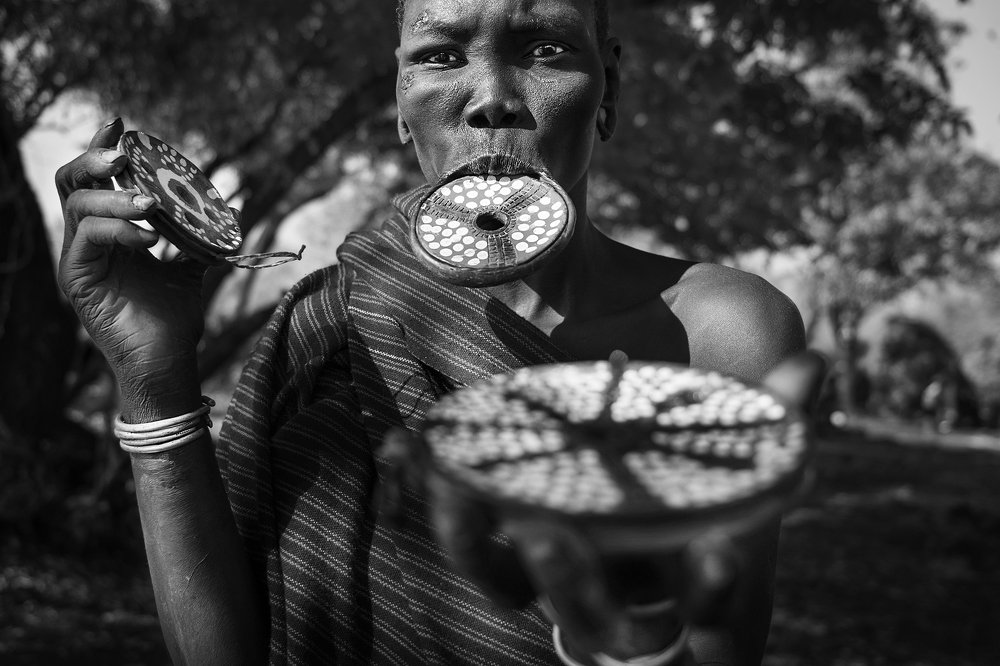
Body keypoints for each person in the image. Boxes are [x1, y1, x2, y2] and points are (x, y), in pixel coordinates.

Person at [55, 0, 822, 664]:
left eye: (544, 49)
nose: (492, 99)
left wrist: (625, 603)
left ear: (608, 88)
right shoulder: (329, 321)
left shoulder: (719, 334)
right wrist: (152, 380)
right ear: (401, 99)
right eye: (441, 56)